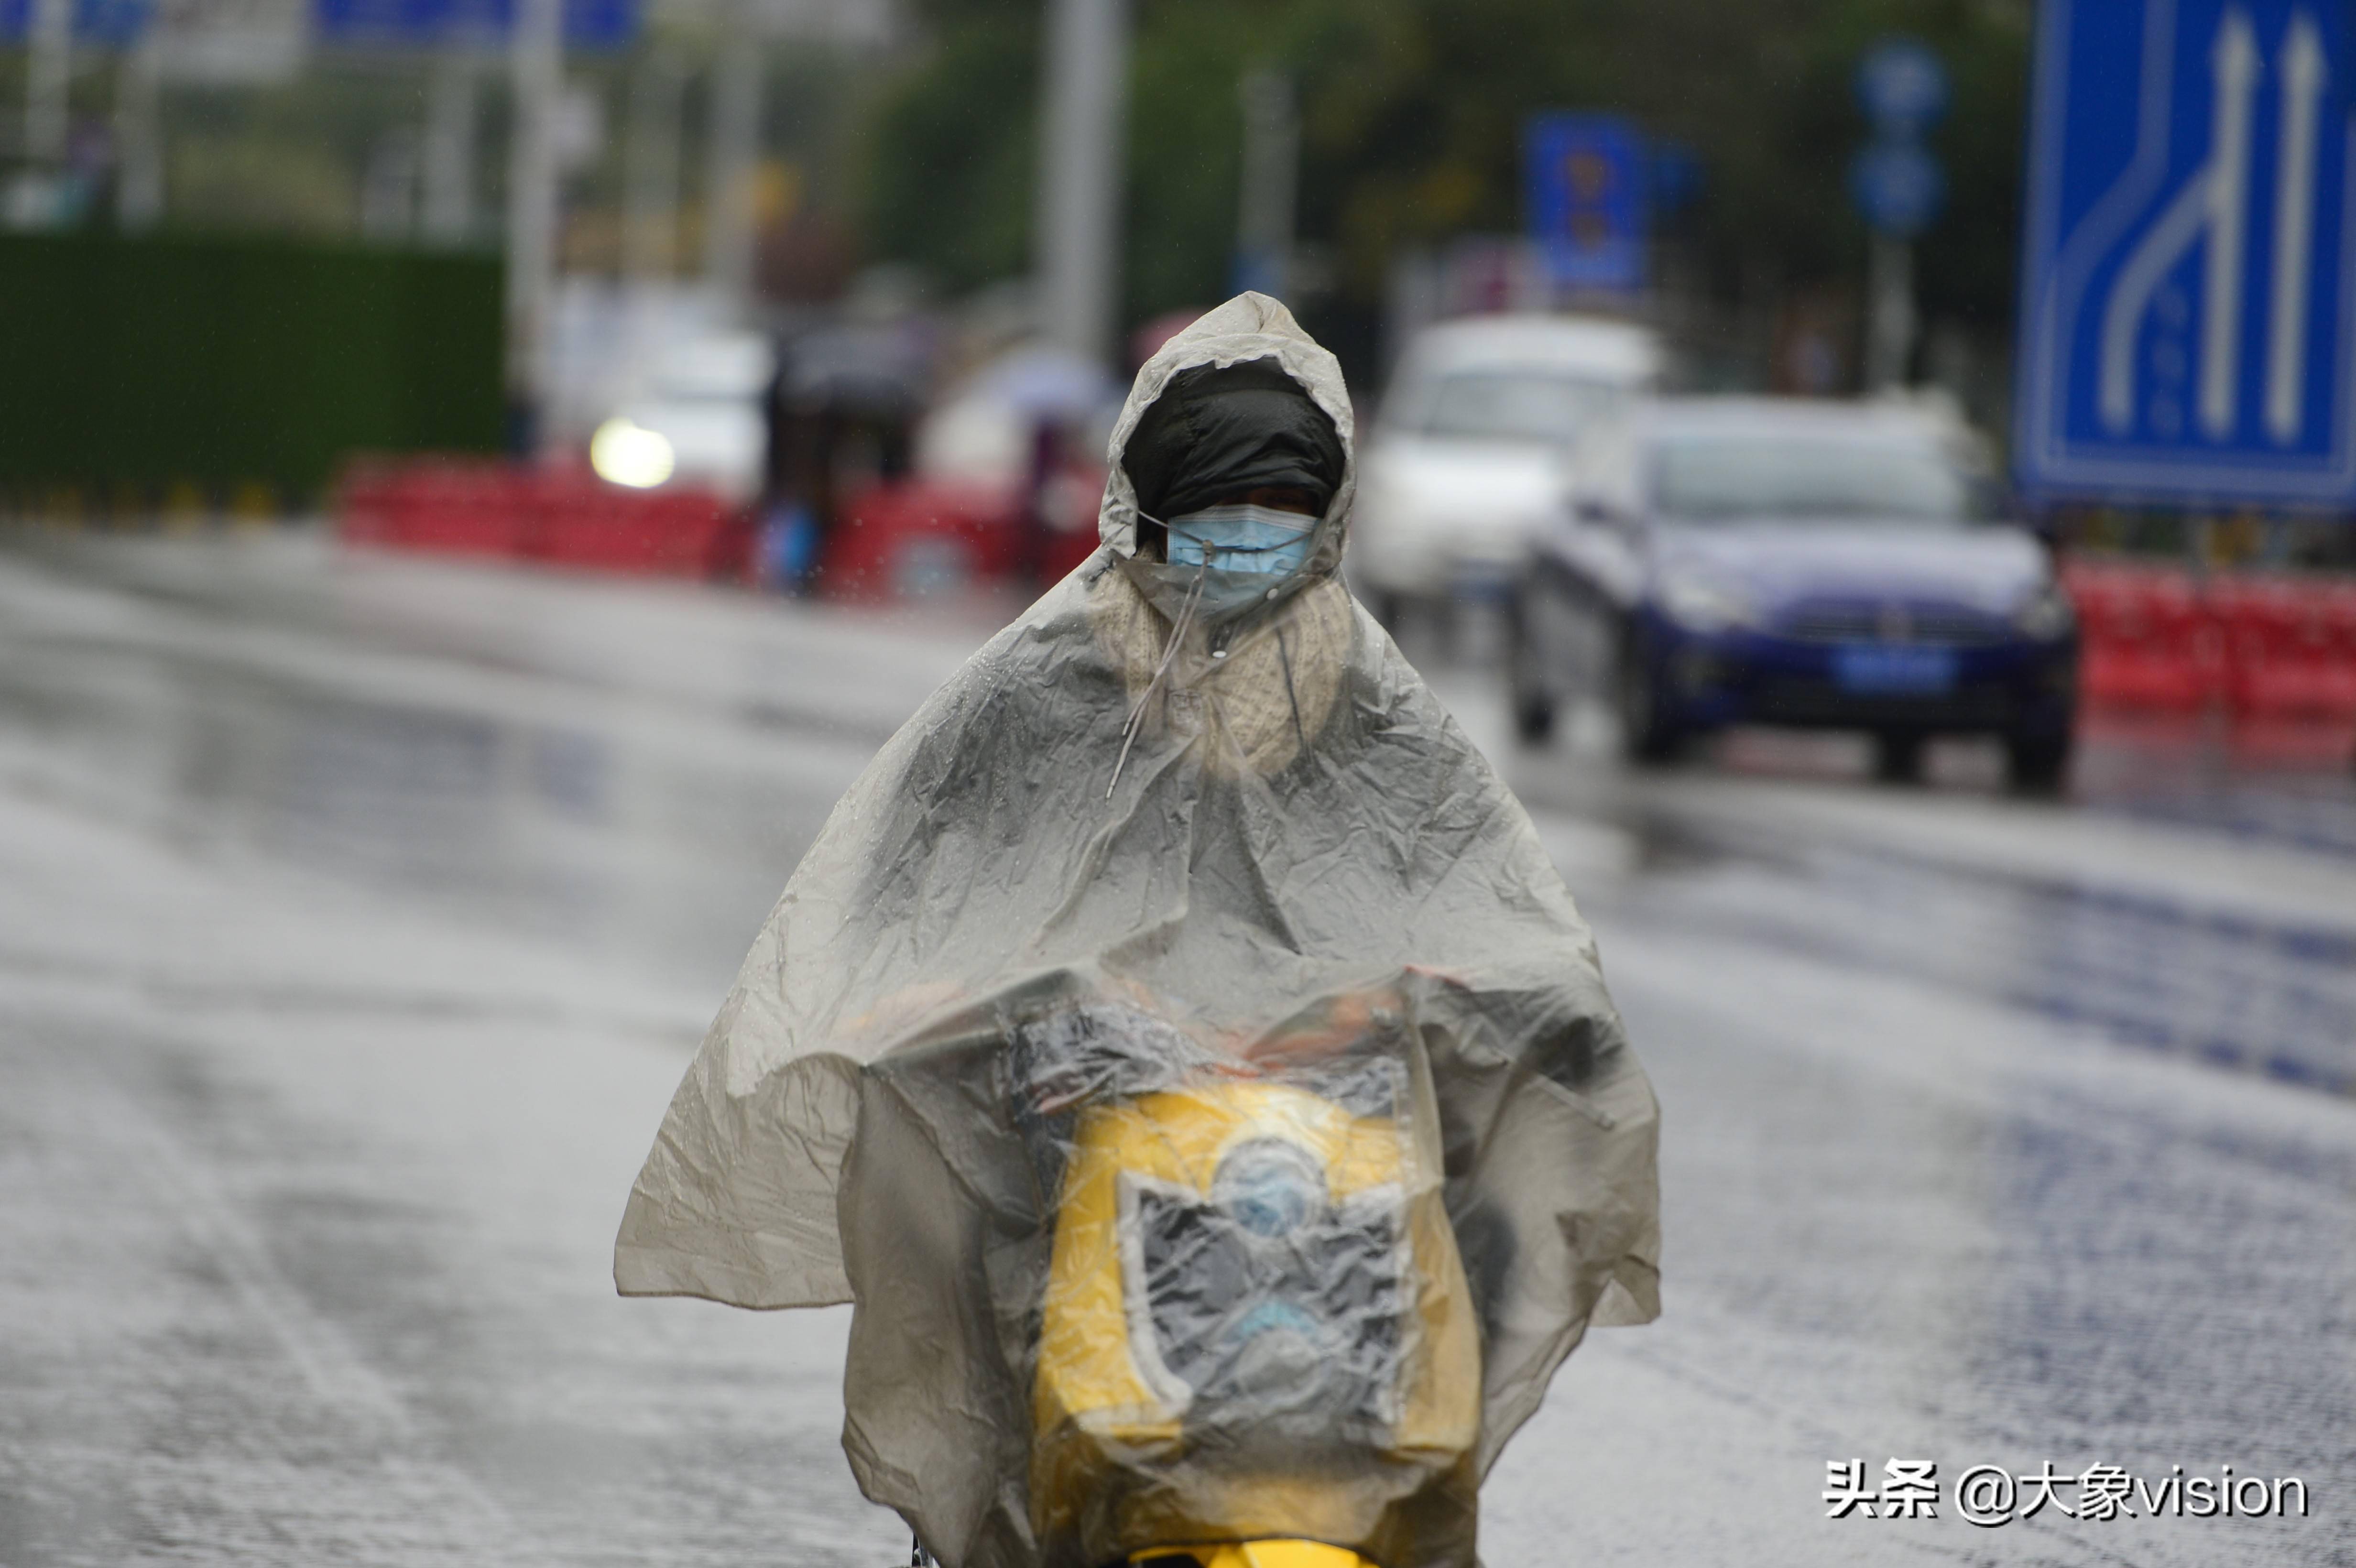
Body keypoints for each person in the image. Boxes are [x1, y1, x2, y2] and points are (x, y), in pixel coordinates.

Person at [615, 294, 1659, 1568]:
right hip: (1065, 1134)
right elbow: (897, 898)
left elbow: (1492, 908)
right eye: (1211, 535)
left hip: (1322, 1141)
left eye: (1273, 536)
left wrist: (1492, 1003)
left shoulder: (1383, 710)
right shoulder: (1031, 689)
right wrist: (954, 1011)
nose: (1241, 562)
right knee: (972, 1263)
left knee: (1450, 1271)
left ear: (1326, 537)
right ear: (1141, 525)